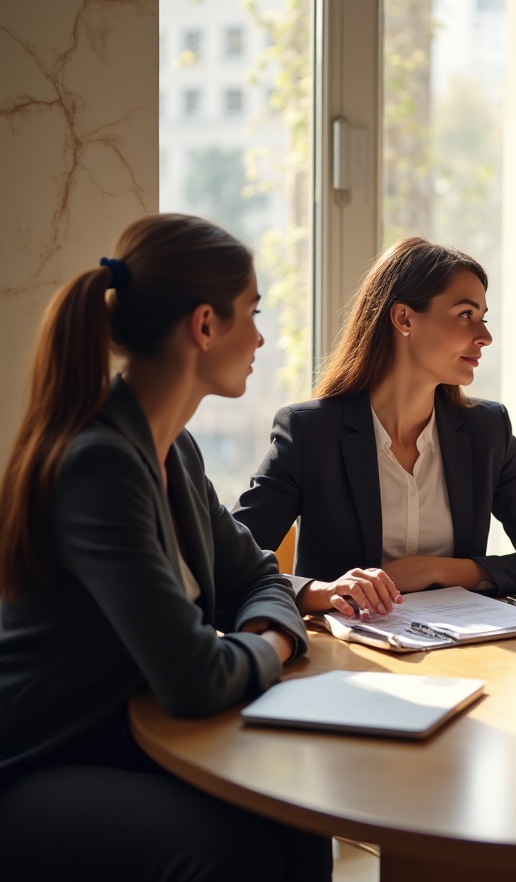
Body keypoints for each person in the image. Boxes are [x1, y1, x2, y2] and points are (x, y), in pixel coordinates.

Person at [0, 215, 331, 882]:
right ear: (205, 325)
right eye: (253, 315)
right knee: (226, 854)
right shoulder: (99, 466)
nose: (261, 337)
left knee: (300, 814)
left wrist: (265, 621)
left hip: (129, 734)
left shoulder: (173, 448)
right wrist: (275, 643)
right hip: (43, 761)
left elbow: (260, 573)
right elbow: (193, 679)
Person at [233, 236, 516, 619]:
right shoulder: (310, 433)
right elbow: (230, 563)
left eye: (483, 318)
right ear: (404, 318)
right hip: (349, 660)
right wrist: (322, 592)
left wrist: (441, 569)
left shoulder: (487, 431)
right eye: (465, 315)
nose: (485, 337)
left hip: (466, 651)